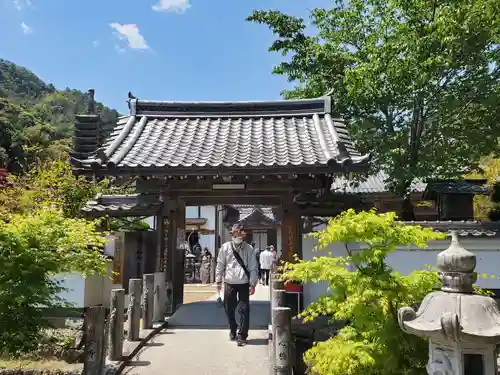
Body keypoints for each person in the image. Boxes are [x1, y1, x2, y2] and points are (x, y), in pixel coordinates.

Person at [215, 223, 258, 346]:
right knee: (228, 307)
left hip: (244, 282)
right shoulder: (225, 247)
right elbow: (220, 264)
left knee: (244, 309)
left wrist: (253, 283)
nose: (238, 234)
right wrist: (218, 279)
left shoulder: (249, 249)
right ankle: (233, 327)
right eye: (236, 232)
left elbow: (253, 267)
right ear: (232, 234)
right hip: (229, 281)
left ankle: (242, 335)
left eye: (240, 232)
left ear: (243, 234)